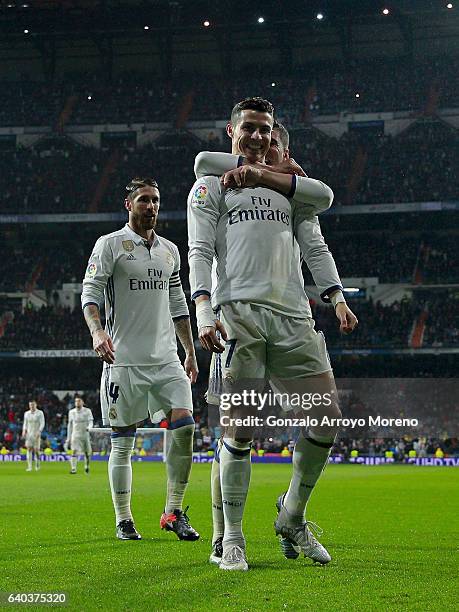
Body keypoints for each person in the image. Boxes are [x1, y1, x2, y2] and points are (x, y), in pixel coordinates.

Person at [187, 97, 357, 571]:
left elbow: (316, 244)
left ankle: (292, 516)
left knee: (327, 421)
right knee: (240, 431)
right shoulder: (210, 183)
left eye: (266, 129)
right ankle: (233, 539)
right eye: (250, 128)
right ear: (231, 130)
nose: (259, 136)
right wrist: (203, 308)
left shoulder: (292, 190)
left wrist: (336, 296)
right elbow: (199, 250)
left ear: (275, 134)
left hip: (294, 318)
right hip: (238, 314)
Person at [82, 177, 199, 542]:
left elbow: (178, 304)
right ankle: (124, 518)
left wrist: (190, 351)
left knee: (186, 428)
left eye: (156, 200)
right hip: (125, 360)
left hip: (166, 359)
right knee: (123, 442)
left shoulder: (169, 251)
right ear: (128, 204)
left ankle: (173, 512)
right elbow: (90, 294)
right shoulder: (110, 246)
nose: (151, 207)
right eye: (144, 200)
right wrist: (97, 332)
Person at [66, 397, 94, 474]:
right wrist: (68, 437)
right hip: (75, 434)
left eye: (79, 401)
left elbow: (91, 421)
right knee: (74, 451)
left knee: (87, 453)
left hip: (85, 434)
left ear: (82, 402)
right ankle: (73, 468)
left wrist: (89, 427)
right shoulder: (71, 412)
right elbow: (70, 425)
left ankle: (86, 466)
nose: (77, 402)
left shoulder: (87, 411)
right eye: (76, 401)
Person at [22, 400, 45, 472]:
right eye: (30, 405)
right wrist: (24, 431)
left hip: (36, 433)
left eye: (33, 405)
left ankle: (37, 464)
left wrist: (39, 431)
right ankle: (29, 467)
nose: (31, 406)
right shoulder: (26, 413)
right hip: (29, 434)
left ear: (36, 405)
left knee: (36, 451)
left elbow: (42, 423)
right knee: (29, 449)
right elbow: (25, 423)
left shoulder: (40, 413)